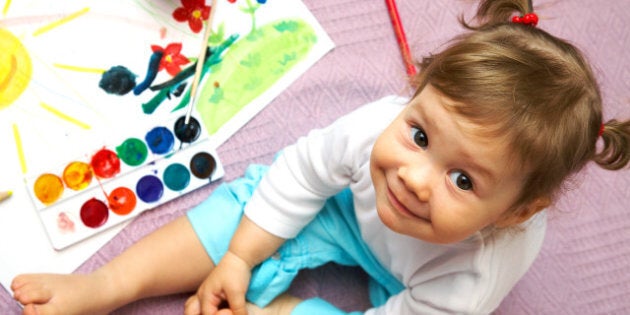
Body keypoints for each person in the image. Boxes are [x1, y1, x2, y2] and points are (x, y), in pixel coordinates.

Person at [10, 0, 630, 314]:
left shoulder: (475, 275)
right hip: (342, 210)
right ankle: (106, 284)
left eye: (463, 179)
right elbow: (295, 179)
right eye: (419, 136)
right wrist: (238, 256)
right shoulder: (375, 129)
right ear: (413, 93)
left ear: (517, 212)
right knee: (248, 204)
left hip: (415, 283)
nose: (414, 179)